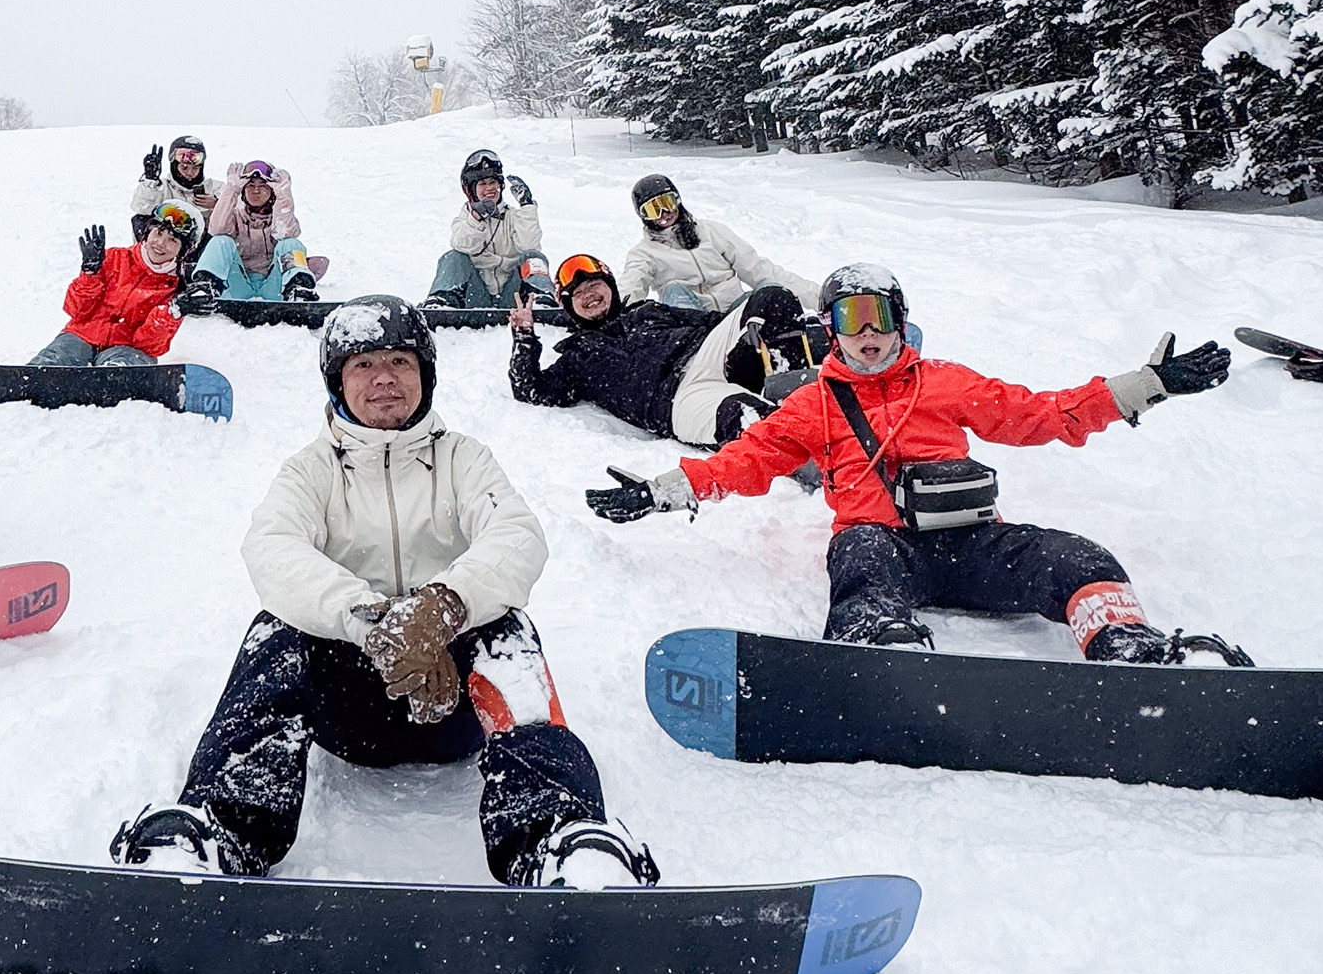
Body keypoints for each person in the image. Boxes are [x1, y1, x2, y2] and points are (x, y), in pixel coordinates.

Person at [112, 295, 660, 889]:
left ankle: (558, 835)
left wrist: (442, 608)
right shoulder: (311, 470)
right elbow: (274, 549)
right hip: (349, 707)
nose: (383, 379)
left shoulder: (464, 459)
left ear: (424, 375)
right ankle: (222, 825)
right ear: (338, 383)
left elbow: (517, 536)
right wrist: (372, 621)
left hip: (455, 702)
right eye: (363, 365)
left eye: (400, 362)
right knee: (275, 630)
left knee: (509, 634)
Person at [585, 264, 1248, 666]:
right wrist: (664, 490)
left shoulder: (944, 382)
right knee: (861, 555)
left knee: (1080, 557)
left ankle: (1126, 643)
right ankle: (879, 644)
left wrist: (1144, 385)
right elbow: (744, 460)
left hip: (972, 541)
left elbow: (1043, 413)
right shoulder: (815, 403)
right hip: (884, 545)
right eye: (850, 315)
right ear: (831, 328)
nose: (866, 330)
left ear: (899, 320)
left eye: (878, 314)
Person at [510, 254, 824, 449]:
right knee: (749, 420)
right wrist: (524, 337)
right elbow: (531, 390)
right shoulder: (578, 355)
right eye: (578, 294)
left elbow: (718, 322)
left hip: (712, 355)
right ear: (569, 307)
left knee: (772, 298)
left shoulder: (646, 310)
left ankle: (797, 394)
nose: (589, 295)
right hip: (678, 400)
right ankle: (819, 447)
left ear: (610, 287)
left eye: (594, 285)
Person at [617, 174, 816, 312]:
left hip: (733, 313)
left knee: (770, 295)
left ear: (678, 201)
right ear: (643, 216)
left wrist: (818, 298)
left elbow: (759, 270)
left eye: (668, 203)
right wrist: (612, 322)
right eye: (654, 210)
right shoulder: (644, 254)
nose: (664, 214)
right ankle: (692, 355)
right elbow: (631, 286)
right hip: (690, 321)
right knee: (673, 290)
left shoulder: (710, 232)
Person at [31, 202, 195, 366]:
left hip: (127, 348)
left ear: (183, 250)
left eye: (172, 240)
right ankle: (30, 384)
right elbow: (76, 310)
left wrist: (171, 313)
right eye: (158, 233)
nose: (160, 243)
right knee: (57, 357)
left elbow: (150, 345)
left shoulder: (174, 288)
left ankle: (117, 386)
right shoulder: (114, 258)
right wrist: (90, 274)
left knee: (124, 368)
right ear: (148, 232)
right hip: (81, 336)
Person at [424, 148, 554, 309]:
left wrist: (527, 207)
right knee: (453, 257)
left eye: (493, 183)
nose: (490, 188)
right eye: (482, 184)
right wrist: (476, 219)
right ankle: (442, 302)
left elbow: (529, 246)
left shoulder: (513, 216)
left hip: (514, 297)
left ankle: (541, 301)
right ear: (471, 190)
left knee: (534, 257)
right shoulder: (465, 218)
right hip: (476, 297)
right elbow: (463, 245)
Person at [181, 160, 318, 308]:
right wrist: (231, 190)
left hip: (274, 287)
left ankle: (298, 290)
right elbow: (216, 229)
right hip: (237, 286)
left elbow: (287, 232)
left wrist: (283, 195)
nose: (256, 191)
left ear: (271, 191)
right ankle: (204, 289)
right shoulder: (235, 214)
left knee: (291, 243)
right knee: (220, 240)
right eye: (251, 186)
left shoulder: (277, 217)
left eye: (262, 186)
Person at [131, 135, 218, 244]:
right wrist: (150, 182)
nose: (190, 173)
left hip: (203, 248)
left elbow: (238, 211)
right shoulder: (161, 188)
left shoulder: (215, 188)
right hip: (166, 244)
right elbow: (140, 207)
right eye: (184, 167)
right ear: (174, 166)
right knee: (139, 219)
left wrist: (217, 204)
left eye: (195, 168)